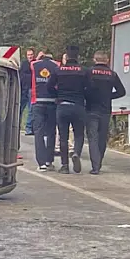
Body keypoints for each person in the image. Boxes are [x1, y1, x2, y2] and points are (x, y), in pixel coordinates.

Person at [85, 51, 126, 175]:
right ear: (107, 60)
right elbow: (121, 91)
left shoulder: (89, 72)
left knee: (92, 137)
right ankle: (99, 162)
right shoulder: (112, 74)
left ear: (94, 59)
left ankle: (95, 166)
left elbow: (83, 88)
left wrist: (87, 98)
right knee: (102, 138)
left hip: (91, 108)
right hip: (105, 109)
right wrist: (109, 96)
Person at [51, 45, 89, 174]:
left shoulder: (58, 70)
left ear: (66, 57)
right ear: (77, 56)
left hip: (62, 106)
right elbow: (90, 88)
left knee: (63, 137)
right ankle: (76, 152)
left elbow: (49, 86)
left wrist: (57, 96)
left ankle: (64, 166)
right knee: (79, 134)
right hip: (78, 106)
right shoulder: (84, 71)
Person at [30, 49, 60, 171]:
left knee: (39, 133)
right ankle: (49, 161)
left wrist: (38, 58)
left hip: (37, 102)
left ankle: (41, 163)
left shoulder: (34, 64)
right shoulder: (57, 65)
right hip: (52, 102)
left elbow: (32, 64)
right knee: (51, 132)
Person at [20, 48, 36, 135]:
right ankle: (16, 126)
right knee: (19, 109)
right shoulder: (24, 64)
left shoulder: (36, 63)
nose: (30, 56)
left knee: (31, 110)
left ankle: (28, 128)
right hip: (23, 89)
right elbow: (21, 75)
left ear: (34, 55)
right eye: (28, 55)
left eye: (31, 55)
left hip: (31, 89)